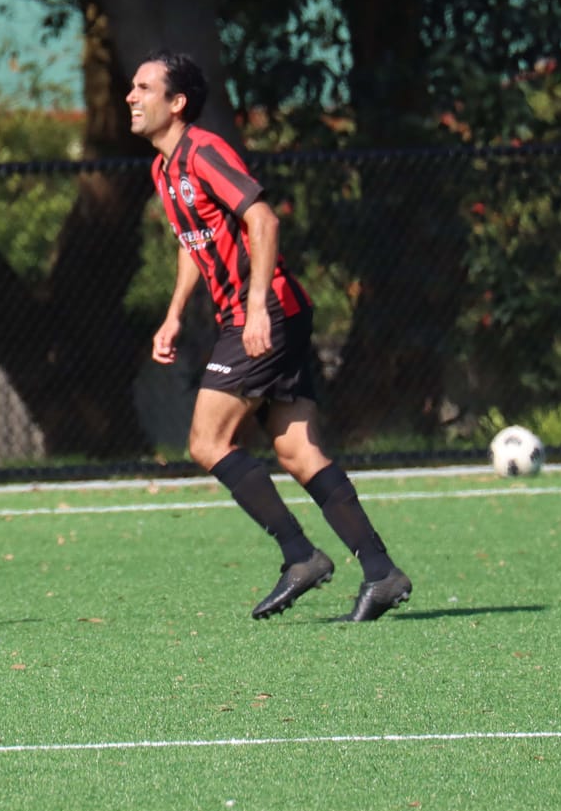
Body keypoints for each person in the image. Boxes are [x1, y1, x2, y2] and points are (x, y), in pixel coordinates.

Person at [130, 52, 412, 622]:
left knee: (207, 443)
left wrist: (256, 308)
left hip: (264, 314)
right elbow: (194, 243)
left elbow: (263, 220)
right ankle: (382, 573)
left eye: (143, 88)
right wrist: (174, 313)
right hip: (269, 313)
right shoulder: (163, 170)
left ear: (176, 102)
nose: (131, 97)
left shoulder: (204, 151)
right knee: (296, 450)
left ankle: (300, 555)